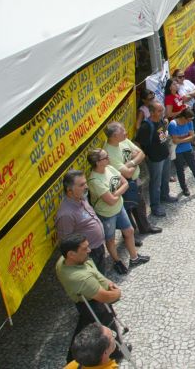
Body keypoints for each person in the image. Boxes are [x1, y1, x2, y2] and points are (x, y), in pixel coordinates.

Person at [56, 234, 126, 363]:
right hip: (95, 304)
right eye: (84, 249)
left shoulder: (62, 260)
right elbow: (106, 297)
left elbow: (95, 273)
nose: (89, 250)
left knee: (84, 326)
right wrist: (118, 292)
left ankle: (71, 359)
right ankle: (118, 352)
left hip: (85, 303)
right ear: (71, 254)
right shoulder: (81, 278)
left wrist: (106, 281)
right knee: (108, 329)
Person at [86, 149, 150, 275]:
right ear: (98, 162)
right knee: (110, 240)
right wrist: (117, 194)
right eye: (105, 157)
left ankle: (134, 257)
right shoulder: (95, 181)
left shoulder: (109, 168)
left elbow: (125, 182)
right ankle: (117, 261)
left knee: (129, 230)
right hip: (107, 214)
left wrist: (115, 193)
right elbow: (110, 201)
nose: (108, 158)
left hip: (119, 207)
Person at [103, 122, 159, 237]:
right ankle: (131, 237)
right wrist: (135, 160)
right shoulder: (109, 152)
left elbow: (141, 154)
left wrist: (130, 163)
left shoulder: (123, 140)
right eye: (122, 132)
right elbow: (126, 174)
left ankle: (145, 227)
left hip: (135, 179)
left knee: (140, 204)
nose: (126, 133)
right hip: (123, 184)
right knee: (127, 208)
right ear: (114, 136)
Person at [55, 170, 108, 274]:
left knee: (102, 276)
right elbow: (66, 243)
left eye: (85, 183)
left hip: (98, 247)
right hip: (87, 255)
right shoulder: (66, 214)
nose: (86, 187)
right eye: (82, 185)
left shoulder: (81, 198)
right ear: (70, 191)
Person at [134, 102, 175, 218]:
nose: (162, 112)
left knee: (165, 177)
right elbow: (138, 143)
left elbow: (162, 135)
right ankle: (155, 206)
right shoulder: (146, 126)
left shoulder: (161, 120)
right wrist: (146, 155)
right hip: (155, 159)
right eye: (159, 111)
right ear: (151, 113)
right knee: (155, 183)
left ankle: (165, 195)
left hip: (165, 155)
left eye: (162, 110)